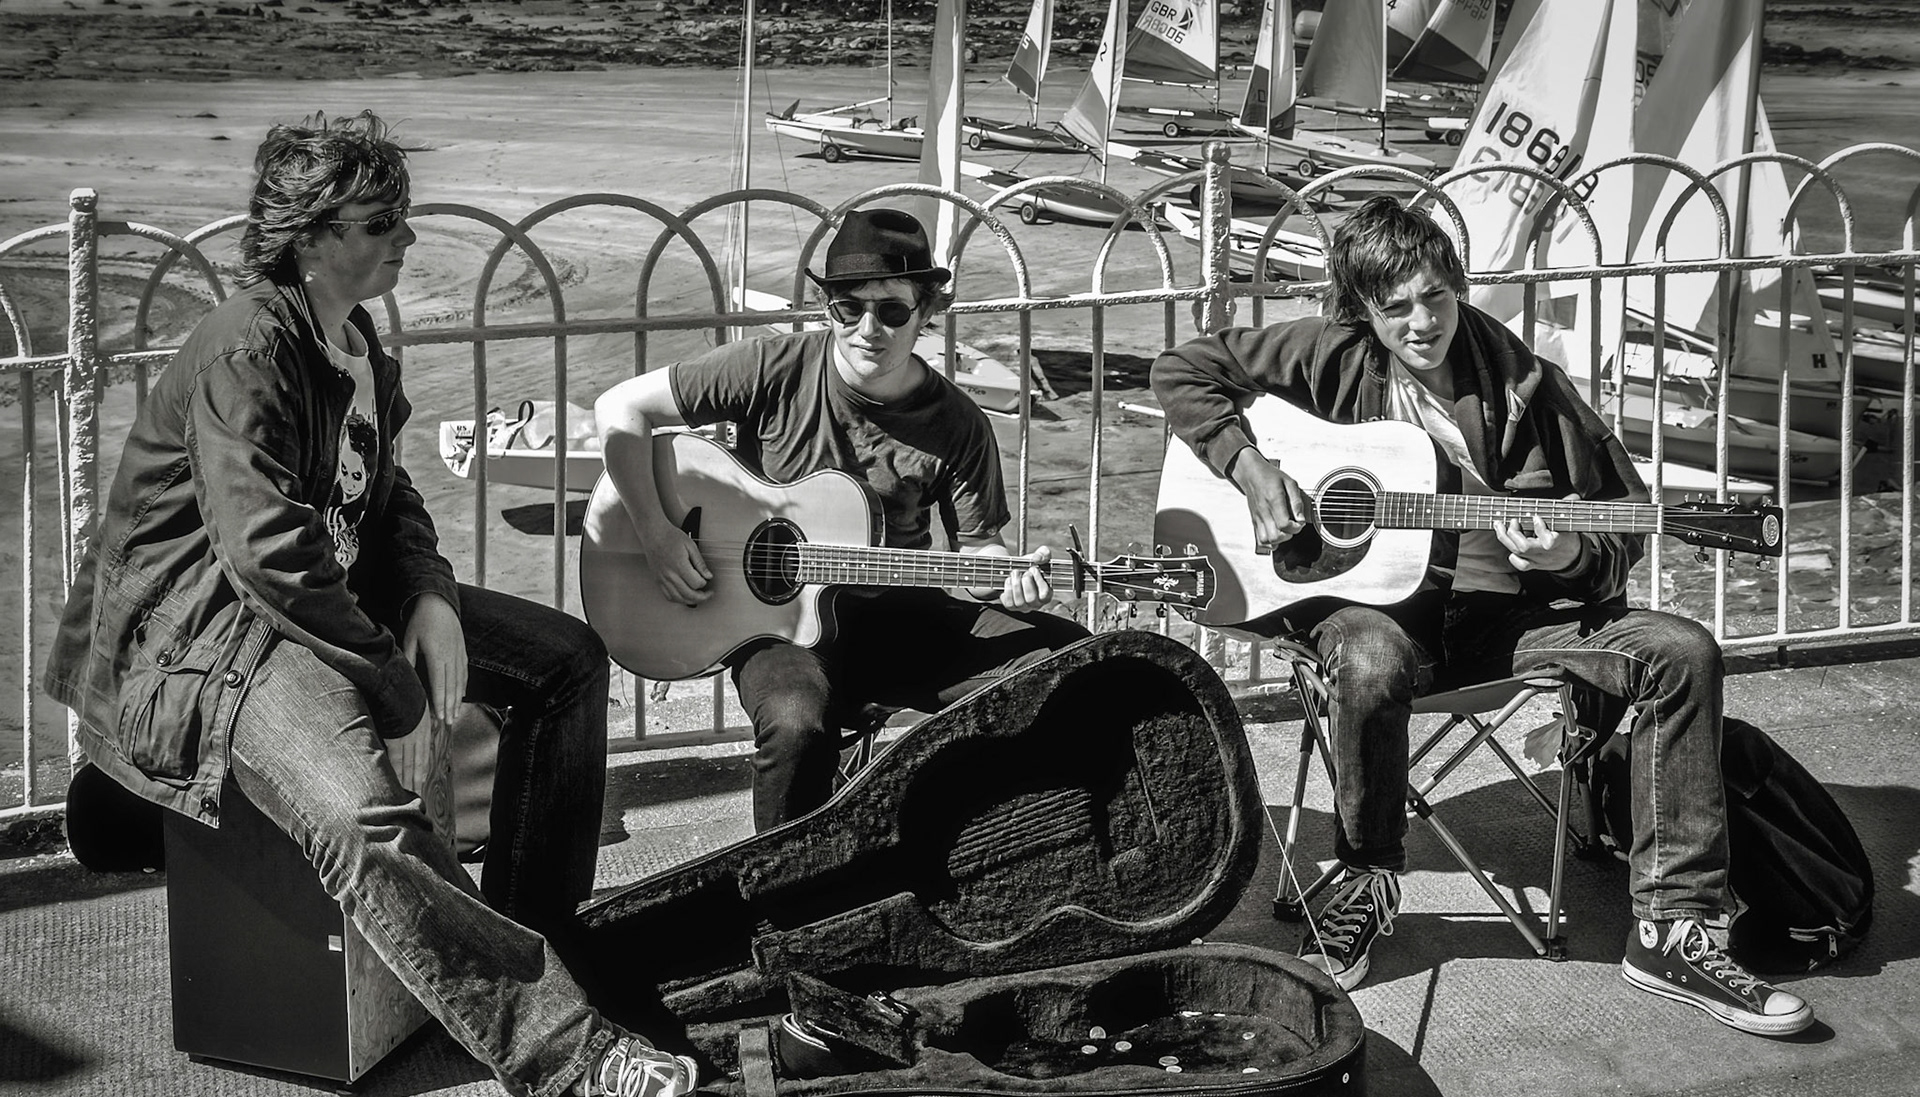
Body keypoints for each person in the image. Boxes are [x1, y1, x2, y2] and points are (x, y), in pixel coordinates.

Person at [45, 111, 698, 1097]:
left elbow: (384, 501)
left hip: (325, 601)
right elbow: (264, 551)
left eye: (404, 215)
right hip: (217, 640)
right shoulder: (247, 346)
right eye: (379, 220)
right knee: (363, 818)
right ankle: (577, 1051)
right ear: (309, 235)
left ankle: (538, 943)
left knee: (564, 663)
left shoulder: (354, 341)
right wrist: (394, 685)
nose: (404, 237)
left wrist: (431, 594)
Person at [1150, 195, 1813, 1038]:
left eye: (1436, 296)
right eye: (1395, 308)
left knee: (1679, 648)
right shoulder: (1333, 356)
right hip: (1373, 616)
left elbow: (1622, 516)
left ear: (1458, 286)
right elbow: (1180, 371)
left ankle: (1673, 928)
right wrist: (1251, 467)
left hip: (1508, 627)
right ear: (1362, 311)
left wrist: (1566, 558)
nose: (1421, 322)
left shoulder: (1528, 387)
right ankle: (1365, 878)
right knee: (1369, 656)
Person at [594, 207, 1089, 831]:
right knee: (798, 723)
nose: (867, 328)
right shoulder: (773, 369)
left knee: (1069, 663)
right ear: (828, 308)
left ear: (927, 311)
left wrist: (1007, 578)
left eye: (891, 310)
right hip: (771, 624)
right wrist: (657, 535)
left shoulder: (959, 423)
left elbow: (981, 553)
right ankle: (781, 897)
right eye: (848, 308)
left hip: (897, 615)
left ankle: (1000, 840)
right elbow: (620, 410)